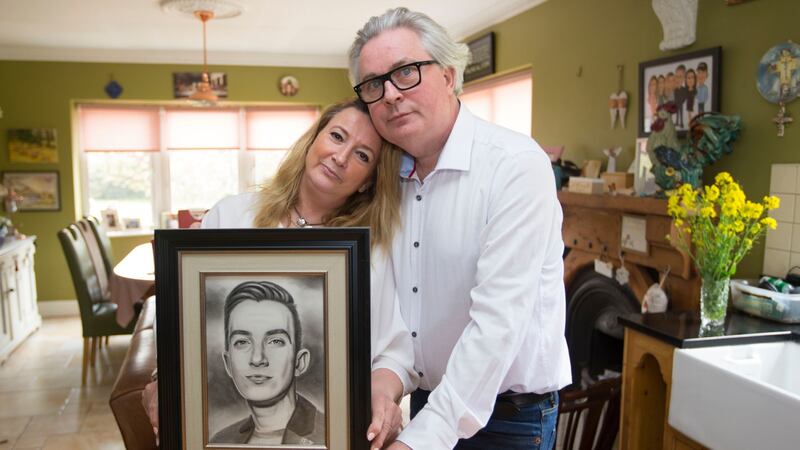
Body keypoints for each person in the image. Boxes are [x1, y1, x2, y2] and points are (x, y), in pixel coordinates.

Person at [349, 7, 571, 450]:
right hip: (430, 403)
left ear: (449, 76)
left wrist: (420, 440)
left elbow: (497, 324)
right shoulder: (388, 181)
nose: (390, 94)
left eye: (406, 72)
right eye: (374, 84)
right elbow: (401, 314)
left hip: (509, 421)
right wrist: (385, 384)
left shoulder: (514, 166)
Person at [142, 98, 418, 450]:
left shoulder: (374, 251)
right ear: (313, 141)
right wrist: (161, 380)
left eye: (363, 155)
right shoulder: (230, 217)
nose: (341, 157)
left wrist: (383, 395)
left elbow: (394, 352)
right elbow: (181, 326)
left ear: (368, 181)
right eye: (336, 136)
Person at [210, 280, 324, 445]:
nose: (257, 359)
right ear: (228, 363)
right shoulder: (221, 440)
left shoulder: (329, 435)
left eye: (275, 341)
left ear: (299, 362)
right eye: (242, 342)